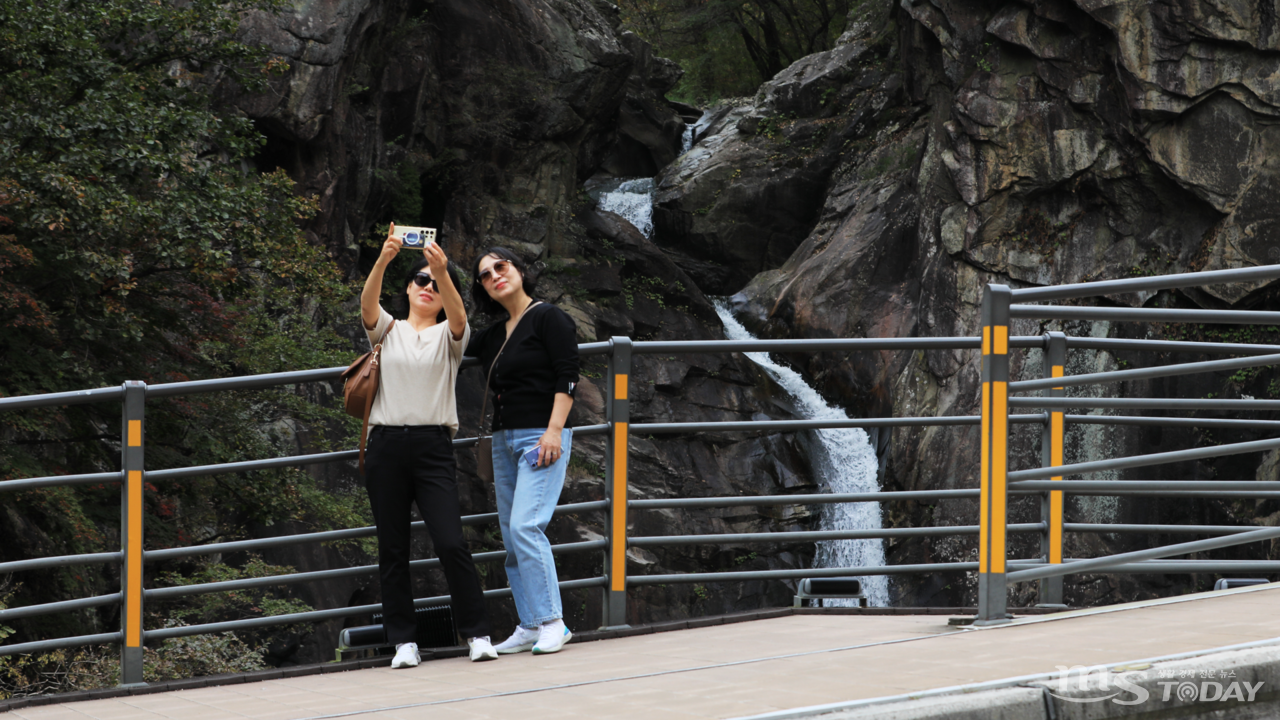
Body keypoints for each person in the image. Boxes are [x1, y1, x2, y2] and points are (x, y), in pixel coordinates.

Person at [360, 224, 497, 667]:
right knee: (392, 547)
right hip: (385, 445)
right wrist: (384, 258)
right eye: (421, 280)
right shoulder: (388, 329)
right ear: (408, 287)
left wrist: (443, 271)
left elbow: (460, 320)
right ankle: (403, 641)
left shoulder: (449, 337)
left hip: (433, 445)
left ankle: (477, 633)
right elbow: (366, 306)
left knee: (452, 542)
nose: (428, 287)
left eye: (436, 285)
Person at [467, 247, 579, 655]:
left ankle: (554, 622)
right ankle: (530, 624)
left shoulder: (549, 317)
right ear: (483, 289)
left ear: (518, 270)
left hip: (541, 435)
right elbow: (452, 337)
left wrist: (554, 431)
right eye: (485, 275)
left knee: (526, 527)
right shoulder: (494, 335)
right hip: (503, 441)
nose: (496, 275)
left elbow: (568, 375)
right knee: (512, 538)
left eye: (502, 266)